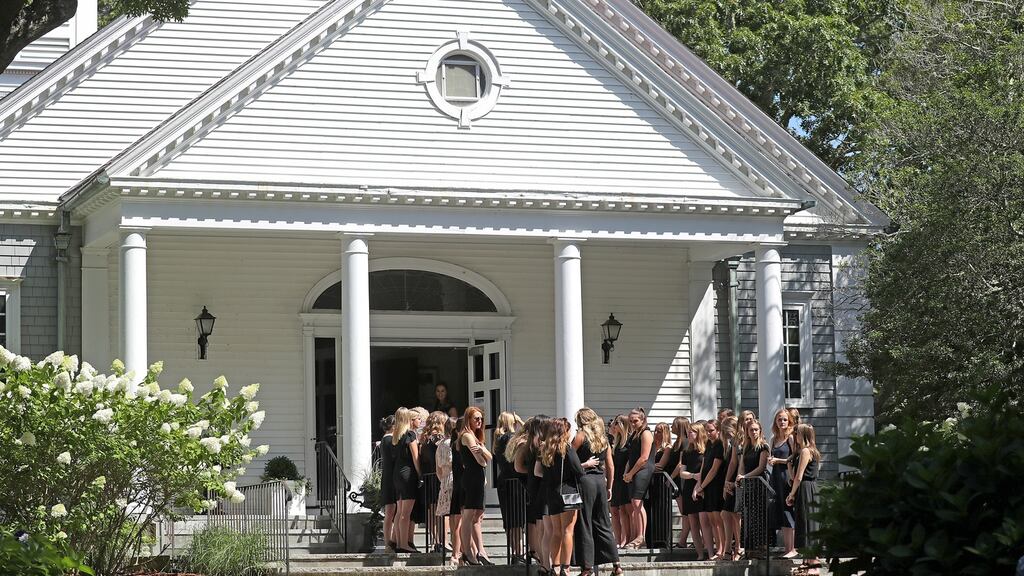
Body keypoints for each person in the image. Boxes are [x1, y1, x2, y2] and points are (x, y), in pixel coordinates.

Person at [572, 408, 622, 576]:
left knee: (585, 523)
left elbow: (570, 460)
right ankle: (617, 565)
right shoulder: (603, 439)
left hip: (585, 482)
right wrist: (609, 487)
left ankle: (587, 568)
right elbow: (611, 465)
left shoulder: (580, 436)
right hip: (600, 481)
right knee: (603, 523)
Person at [538, 418, 585, 576]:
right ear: (564, 431)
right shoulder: (566, 448)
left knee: (556, 532)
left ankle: (555, 566)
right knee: (567, 531)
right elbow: (578, 470)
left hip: (551, 493)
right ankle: (566, 567)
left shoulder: (545, 448)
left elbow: (542, 472)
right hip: (568, 492)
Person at [458, 406, 493, 565]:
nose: (479, 421)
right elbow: (482, 461)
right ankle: (467, 552)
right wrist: (484, 453)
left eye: (481, 419)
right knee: (468, 515)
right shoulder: (467, 436)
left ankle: (481, 551)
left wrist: (484, 451)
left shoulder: (476, 436)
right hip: (472, 478)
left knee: (478, 516)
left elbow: (488, 457)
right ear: (468, 420)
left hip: (478, 478)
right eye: (476, 418)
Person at [516, 416, 550, 568]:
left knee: (538, 524)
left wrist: (530, 473)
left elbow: (518, 467)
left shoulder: (527, 445)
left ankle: (543, 562)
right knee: (544, 526)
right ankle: (545, 563)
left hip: (532, 484)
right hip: (542, 483)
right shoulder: (543, 445)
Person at [493, 411, 524, 561]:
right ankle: (518, 553)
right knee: (517, 520)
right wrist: (521, 422)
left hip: (503, 480)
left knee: (509, 520)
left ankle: (514, 552)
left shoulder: (498, 438)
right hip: (514, 481)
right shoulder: (511, 437)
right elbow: (531, 435)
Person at [622, 407, 654, 549]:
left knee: (637, 502)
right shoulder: (634, 433)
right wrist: (626, 472)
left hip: (643, 470)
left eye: (635, 421)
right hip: (633, 471)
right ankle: (637, 535)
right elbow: (631, 456)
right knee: (634, 505)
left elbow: (644, 458)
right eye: (631, 421)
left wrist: (631, 473)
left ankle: (641, 537)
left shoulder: (646, 433)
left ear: (643, 420)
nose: (633, 423)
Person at [736, 418, 769, 552]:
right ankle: (749, 547)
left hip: (758, 483)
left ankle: (761, 546)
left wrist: (745, 476)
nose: (754, 432)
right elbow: (742, 465)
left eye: (756, 429)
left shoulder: (763, 446)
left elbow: (761, 467)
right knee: (747, 515)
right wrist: (739, 476)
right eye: (751, 430)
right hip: (748, 484)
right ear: (747, 432)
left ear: (760, 431)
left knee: (759, 515)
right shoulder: (746, 446)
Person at [392, 408, 422, 553]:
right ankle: (404, 544)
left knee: (399, 511)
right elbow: (416, 457)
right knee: (406, 513)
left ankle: (398, 542)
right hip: (408, 474)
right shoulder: (410, 434)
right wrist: (420, 474)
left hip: (397, 474)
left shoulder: (396, 436)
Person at [788, 423, 821, 553]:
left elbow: (799, 477)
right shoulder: (809, 451)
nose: (796, 435)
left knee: (808, 523)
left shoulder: (806, 451)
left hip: (806, 487)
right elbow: (794, 476)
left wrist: (791, 494)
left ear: (804, 435)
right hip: (806, 487)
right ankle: (806, 563)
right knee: (804, 522)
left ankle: (813, 564)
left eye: (798, 433)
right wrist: (790, 466)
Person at [658, 416, 690, 548]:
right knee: (684, 512)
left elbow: (680, 464)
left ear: (680, 426)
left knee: (685, 512)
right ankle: (682, 541)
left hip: (681, 480)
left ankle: (683, 541)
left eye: (674, 425)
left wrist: (670, 478)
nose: (671, 427)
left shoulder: (685, 442)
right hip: (676, 479)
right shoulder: (676, 443)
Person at [769, 409, 797, 557]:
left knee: (788, 510)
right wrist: (770, 460)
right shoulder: (773, 439)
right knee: (781, 510)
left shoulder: (791, 438)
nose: (782, 422)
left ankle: (792, 548)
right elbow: (770, 456)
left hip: (787, 475)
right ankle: (787, 548)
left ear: (789, 421)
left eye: (785, 419)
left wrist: (778, 460)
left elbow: (794, 457)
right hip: (776, 476)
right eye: (779, 419)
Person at [696, 419, 725, 559]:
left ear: (718, 430)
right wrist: (699, 484)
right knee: (712, 519)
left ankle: (722, 549)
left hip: (716, 485)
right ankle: (717, 547)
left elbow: (714, 469)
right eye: (707, 430)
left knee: (718, 519)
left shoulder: (719, 445)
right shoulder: (709, 445)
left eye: (711, 430)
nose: (708, 433)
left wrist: (702, 486)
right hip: (707, 486)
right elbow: (704, 467)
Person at [419, 411, 447, 553]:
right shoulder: (439, 439)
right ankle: (443, 541)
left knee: (431, 510)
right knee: (442, 510)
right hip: (438, 477)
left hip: (428, 477)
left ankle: (434, 540)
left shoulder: (424, 439)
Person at [680, 421, 707, 560]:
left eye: (692, 432)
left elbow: (706, 471)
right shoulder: (686, 452)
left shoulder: (705, 451)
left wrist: (699, 481)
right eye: (689, 432)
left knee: (704, 522)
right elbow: (682, 472)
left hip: (702, 488)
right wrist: (692, 476)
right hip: (689, 487)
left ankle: (709, 550)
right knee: (693, 523)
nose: (689, 434)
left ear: (699, 433)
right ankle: (700, 554)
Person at [434, 417, 457, 562]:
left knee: (447, 513)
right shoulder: (451, 444)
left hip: (444, 478)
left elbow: (437, 468)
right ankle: (453, 544)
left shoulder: (440, 444)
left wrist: (442, 479)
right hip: (453, 478)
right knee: (454, 514)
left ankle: (445, 540)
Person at [720, 416, 742, 560]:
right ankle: (728, 548)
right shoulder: (731, 443)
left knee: (736, 515)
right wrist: (726, 482)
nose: (726, 434)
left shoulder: (740, 441)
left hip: (738, 479)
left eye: (727, 431)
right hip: (731, 479)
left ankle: (739, 547)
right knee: (725, 513)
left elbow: (738, 463)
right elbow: (731, 463)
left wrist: (733, 480)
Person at [608, 415, 631, 548]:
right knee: (614, 510)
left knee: (624, 510)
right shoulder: (615, 442)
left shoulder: (628, 442)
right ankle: (617, 539)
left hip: (623, 478)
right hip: (615, 478)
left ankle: (625, 539)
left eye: (616, 423)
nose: (613, 425)